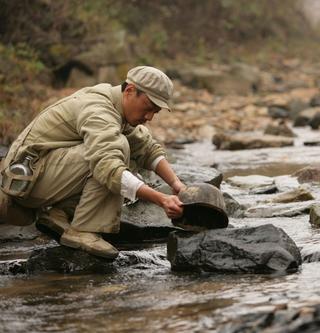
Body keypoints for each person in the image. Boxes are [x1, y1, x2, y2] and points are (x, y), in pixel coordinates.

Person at [0, 66, 186, 259]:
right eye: (148, 107)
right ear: (130, 91)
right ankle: (83, 230)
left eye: (155, 112)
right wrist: (161, 200)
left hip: (43, 175)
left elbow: (146, 147)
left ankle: (59, 215)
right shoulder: (99, 109)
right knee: (115, 152)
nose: (149, 117)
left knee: (126, 148)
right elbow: (108, 168)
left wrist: (176, 184)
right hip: (24, 184)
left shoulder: (117, 107)